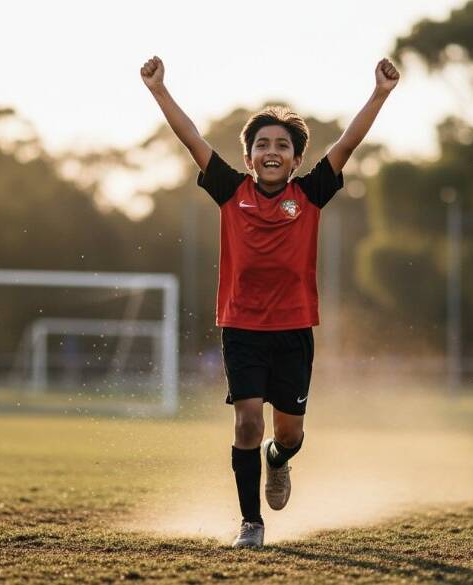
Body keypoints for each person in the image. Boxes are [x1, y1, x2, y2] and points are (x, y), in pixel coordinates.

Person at [140, 55, 399, 547]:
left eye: (282, 145)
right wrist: (159, 90)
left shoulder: (310, 195)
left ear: (297, 160)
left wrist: (380, 94)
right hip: (241, 327)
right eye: (262, 144)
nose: (272, 150)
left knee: (290, 434)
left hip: (294, 329)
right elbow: (192, 138)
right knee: (246, 421)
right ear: (249, 157)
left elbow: (347, 143)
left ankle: (278, 462)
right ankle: (251, 523)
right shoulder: (229, 190)